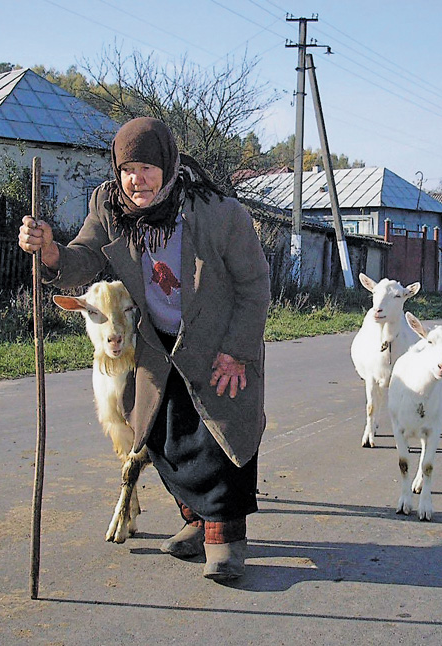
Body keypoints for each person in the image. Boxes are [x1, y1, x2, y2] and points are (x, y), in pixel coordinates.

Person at [19, 116, 271, 581]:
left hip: (218, 345)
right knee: (162, 437)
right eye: (128, 168)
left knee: (222, 438)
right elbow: (84, 258)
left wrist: (237, 350)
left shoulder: (218, 213)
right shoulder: (109, 207)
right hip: (158, 345)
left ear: (169, 165)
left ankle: (225, 542)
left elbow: (255, 286)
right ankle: (195, 524)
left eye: (148, 167)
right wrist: (51, 253)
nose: (137, 179)